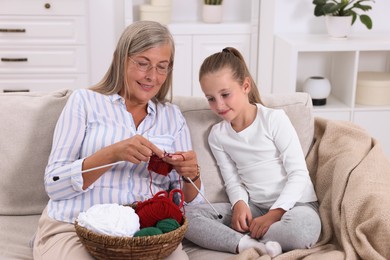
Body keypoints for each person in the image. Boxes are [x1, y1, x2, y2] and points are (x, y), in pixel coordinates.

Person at [32, 21, 204, 260]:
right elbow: (54, 184)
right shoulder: (85, 102)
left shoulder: (172, 117)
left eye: (161, 67)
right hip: (75, 225)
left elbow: (187, 204)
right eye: (143, 64)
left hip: (146, 232)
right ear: (121, 59)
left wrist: (191, 174)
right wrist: (112, 154)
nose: (152, 77)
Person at [184, 47, 321, 257]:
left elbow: (299, 174)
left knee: (301, 230)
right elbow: (233, 180)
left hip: (296, 206)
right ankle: (248, 244)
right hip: (255, 208)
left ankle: (255, 239)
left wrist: (275, 214)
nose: (218, 105)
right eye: (210, 98)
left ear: (245, 85)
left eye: (225, 94)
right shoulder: (218, 135)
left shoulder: (273, 119)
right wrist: (239, 203)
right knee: (186, 217)